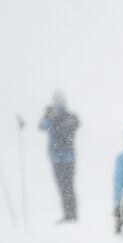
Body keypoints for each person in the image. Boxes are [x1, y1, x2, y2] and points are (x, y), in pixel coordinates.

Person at [38, 90, 79, 223]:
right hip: (69, 157)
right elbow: (77, 123)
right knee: (68, 186)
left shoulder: (52, 117)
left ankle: (69, 215)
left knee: (63, 187)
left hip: (57, 158)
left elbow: (42, 126)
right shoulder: (70, 116)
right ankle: (71, 214)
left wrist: (48, 115)